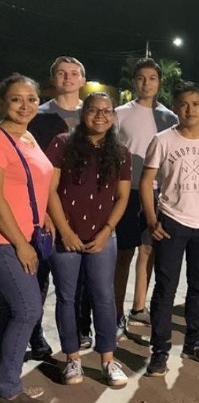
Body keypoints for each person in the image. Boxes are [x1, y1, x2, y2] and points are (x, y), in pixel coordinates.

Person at [141, 81, 199, 376]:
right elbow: (146, 182)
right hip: (172, 222)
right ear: (176, 108)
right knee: (165, 288)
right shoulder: (162, 140)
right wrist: (152, 220)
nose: (190, 109)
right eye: (183, 104)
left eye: (196, 104)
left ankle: (194, 342)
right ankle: (160, 349)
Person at [45, 92, 131, 386]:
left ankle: (108, 359)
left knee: (104, 297)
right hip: (65, 236)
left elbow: (122, 197)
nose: (100, 116)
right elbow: (50, 189)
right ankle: (72, 359)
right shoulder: (62, 144)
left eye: (107, 111)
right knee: (67, 297)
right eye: (94, 110)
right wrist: (65, 231)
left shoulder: (120, 151)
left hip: (102, 237)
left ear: (113, 116)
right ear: (84, 114)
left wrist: (107, 231)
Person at [26, 56, 85, 359]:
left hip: (81, 211)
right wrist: (45, 210)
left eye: (74, 73)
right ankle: (35, 336)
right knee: (39, 276)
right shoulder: (38, 115)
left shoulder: (94, 114)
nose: (68, 78)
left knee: (76, 282)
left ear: (82, 80)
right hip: (43, 209)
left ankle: (78, 334)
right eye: (61, 73)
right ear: (53, 80)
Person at [0, 74, 54, 403]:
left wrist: (42, 215)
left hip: (28, 235)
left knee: (10, 312)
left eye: (31, 98)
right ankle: (8, 387)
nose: (25, 105)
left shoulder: (29, 137)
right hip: (6, 241)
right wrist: (20, 242)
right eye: (16, 98)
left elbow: (33, 183)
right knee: (28, 310)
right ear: (3, 102)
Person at [114, 58, 178, 336]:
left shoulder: (169, 118)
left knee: (149, 250)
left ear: (159, 82)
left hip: (157, 192)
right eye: (141, 78)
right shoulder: (119, 113)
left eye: (152, 78)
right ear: (134, 81)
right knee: (124, 253)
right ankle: (116, 309)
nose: (146, 83)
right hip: (127, 191)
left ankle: (139, 307)